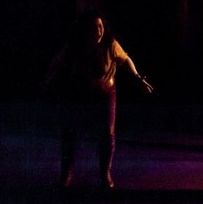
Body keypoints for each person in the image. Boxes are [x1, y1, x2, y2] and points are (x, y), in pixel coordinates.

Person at [43, 11, 153, 189]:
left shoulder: (110, 44)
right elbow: (57, 61)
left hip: (105, 93)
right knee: (70, 132)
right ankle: (66, 173)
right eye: (94, 27)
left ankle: (105, 174)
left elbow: (125, 60)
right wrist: (47, 81)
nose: (99, 31)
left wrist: (138, 78)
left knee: (107, 134)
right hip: (80, 92)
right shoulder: (75, 45)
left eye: (101, 27)